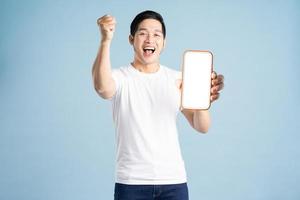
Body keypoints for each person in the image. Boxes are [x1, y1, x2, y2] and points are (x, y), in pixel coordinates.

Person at [92, 10, 224, 200]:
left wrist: (203, 100)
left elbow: (202, 126)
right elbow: (102, 88)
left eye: (156, 34)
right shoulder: (120, 77)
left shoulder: (177, 78)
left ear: (164, 42)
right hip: (131, 183)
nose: (149, 39)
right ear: (131, 39)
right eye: (143, 33)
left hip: (174, 182)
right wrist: (106, 40)